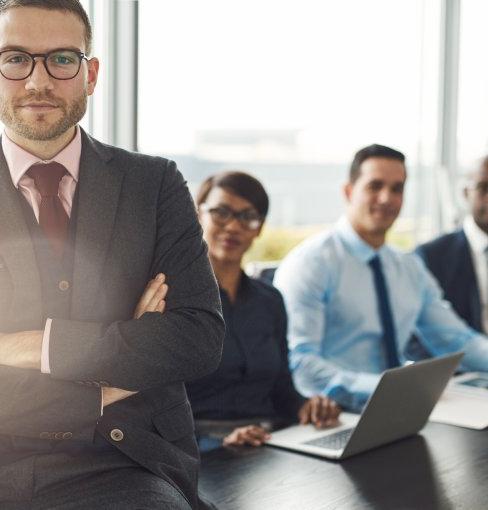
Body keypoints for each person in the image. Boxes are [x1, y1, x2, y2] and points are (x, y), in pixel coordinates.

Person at [0, 1, 224, 509]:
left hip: (126, 463)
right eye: (15, 59)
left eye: (61, 59)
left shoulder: (154, 183)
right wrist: (110, 382)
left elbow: (198, 338)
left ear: (91, 73)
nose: (38, 80)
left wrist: (36, 346)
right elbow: (161, 349)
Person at [274, 144, 488, 412]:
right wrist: (383, 389)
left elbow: (455, 338)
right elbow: (302, 364)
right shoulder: (311, 263)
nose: (387, 198)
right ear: (349, 191)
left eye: (397, 189)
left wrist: (396, 395)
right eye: (375, 186)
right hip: (331, 414)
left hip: (397, 412)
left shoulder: (409, 267)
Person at [186, 171, 340, 449]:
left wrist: (309, 406)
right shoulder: (174, 298)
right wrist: (216, 442)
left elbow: (282, 390)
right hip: (201, 450)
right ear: (199, 216)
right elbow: (156, 405)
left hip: (271, 441)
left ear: (259, 228)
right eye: (221, 212)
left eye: (248, 217)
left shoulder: (269, 300)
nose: (234, 226)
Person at [416, 156, 488, 334]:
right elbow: (417, 335)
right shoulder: (431, 256)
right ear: (465, 192)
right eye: (483, 188)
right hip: (463, 360)